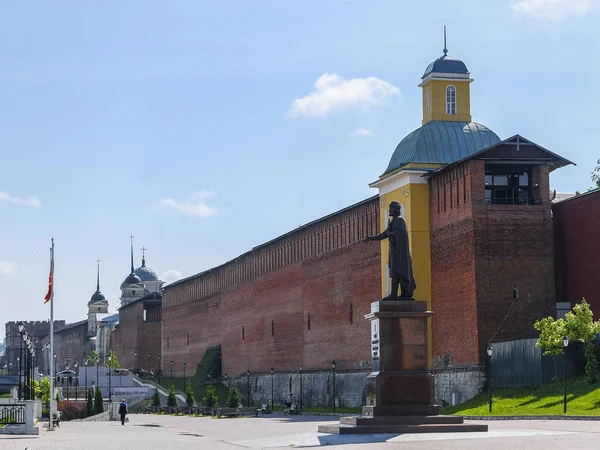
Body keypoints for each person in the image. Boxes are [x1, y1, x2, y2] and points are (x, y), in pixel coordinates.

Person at [364, 201, 417, 299]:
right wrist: (370, 238)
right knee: (394, 272)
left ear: (395, 210)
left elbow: (399, 233)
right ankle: (394, 293)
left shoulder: (400, 221)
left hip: (400, 253)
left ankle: (399, 294)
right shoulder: (393, 222)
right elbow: (384, 234)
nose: (389, 210)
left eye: (390, 208)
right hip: (394, 251)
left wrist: (390, 233)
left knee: (398, 271)